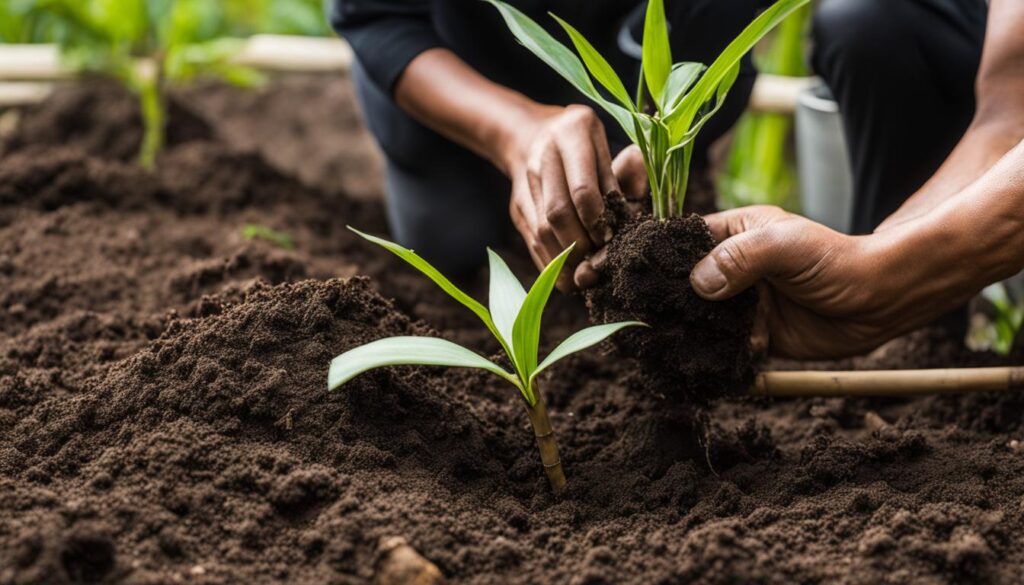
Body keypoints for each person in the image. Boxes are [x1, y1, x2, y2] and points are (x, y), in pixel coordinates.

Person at [329, 0, 768, 277]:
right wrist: (515, 131)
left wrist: (661, 142)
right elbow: (376, 16)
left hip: (631, 67)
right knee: (457, 254)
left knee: (639, 259)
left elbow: (728, 27)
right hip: (453, 69)